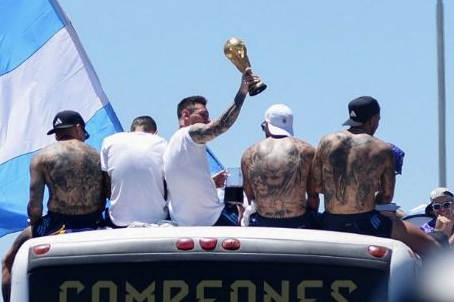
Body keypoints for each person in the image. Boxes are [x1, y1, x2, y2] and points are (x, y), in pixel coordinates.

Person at [1, 110, 107, 302]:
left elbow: (35, 206)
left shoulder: (42, 157)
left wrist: (36, 227)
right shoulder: (98, 156)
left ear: (58, 133)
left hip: (57, 224)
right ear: (78, 128)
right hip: (94, 223)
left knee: (8, 262)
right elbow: (108, 193)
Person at [311, 96, 439, 255]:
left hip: (330, 221)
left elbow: (316, 185)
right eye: (378, 120)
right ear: (371, 121)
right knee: (434, 248)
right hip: (366, 222)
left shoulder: (326, 141)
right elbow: (386, 197)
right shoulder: (382, 149)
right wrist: (364, 196)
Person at [163, 69, 259, 226]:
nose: (208, 119)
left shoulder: (171, 146)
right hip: (213, 220)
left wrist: (211, 183)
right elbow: (220, 125)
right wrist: (242, 92)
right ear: (186, 115)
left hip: (182, 223)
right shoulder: (189, 134)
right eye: (203, 115)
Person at [240, 103, 319, 228]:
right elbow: (313, 197)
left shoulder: (249, 153)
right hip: (300, 223)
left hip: (263, 223)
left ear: (266, 126)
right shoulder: (308, 150)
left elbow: (250, 197)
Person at [101, 116, 168, 227]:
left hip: (118, 221)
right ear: (155, 133)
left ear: (130, 131)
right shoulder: (161, 142)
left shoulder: (109, 141)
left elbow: (106, 184)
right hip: (157, 219)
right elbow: (168, 183)